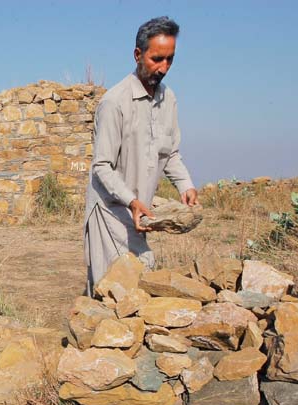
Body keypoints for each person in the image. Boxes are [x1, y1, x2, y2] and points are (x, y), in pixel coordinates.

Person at [84, 16, 199, 294]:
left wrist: (186, 186)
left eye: (170, 59)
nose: (164, 68)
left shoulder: (167, 98)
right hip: (111, 210)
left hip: (139, 211)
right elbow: (102, 166)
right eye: (157, 59)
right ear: (138, 54)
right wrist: (132, 201)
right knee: (113, 292)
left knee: (136, 289)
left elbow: (169, 152)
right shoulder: (114, 102)